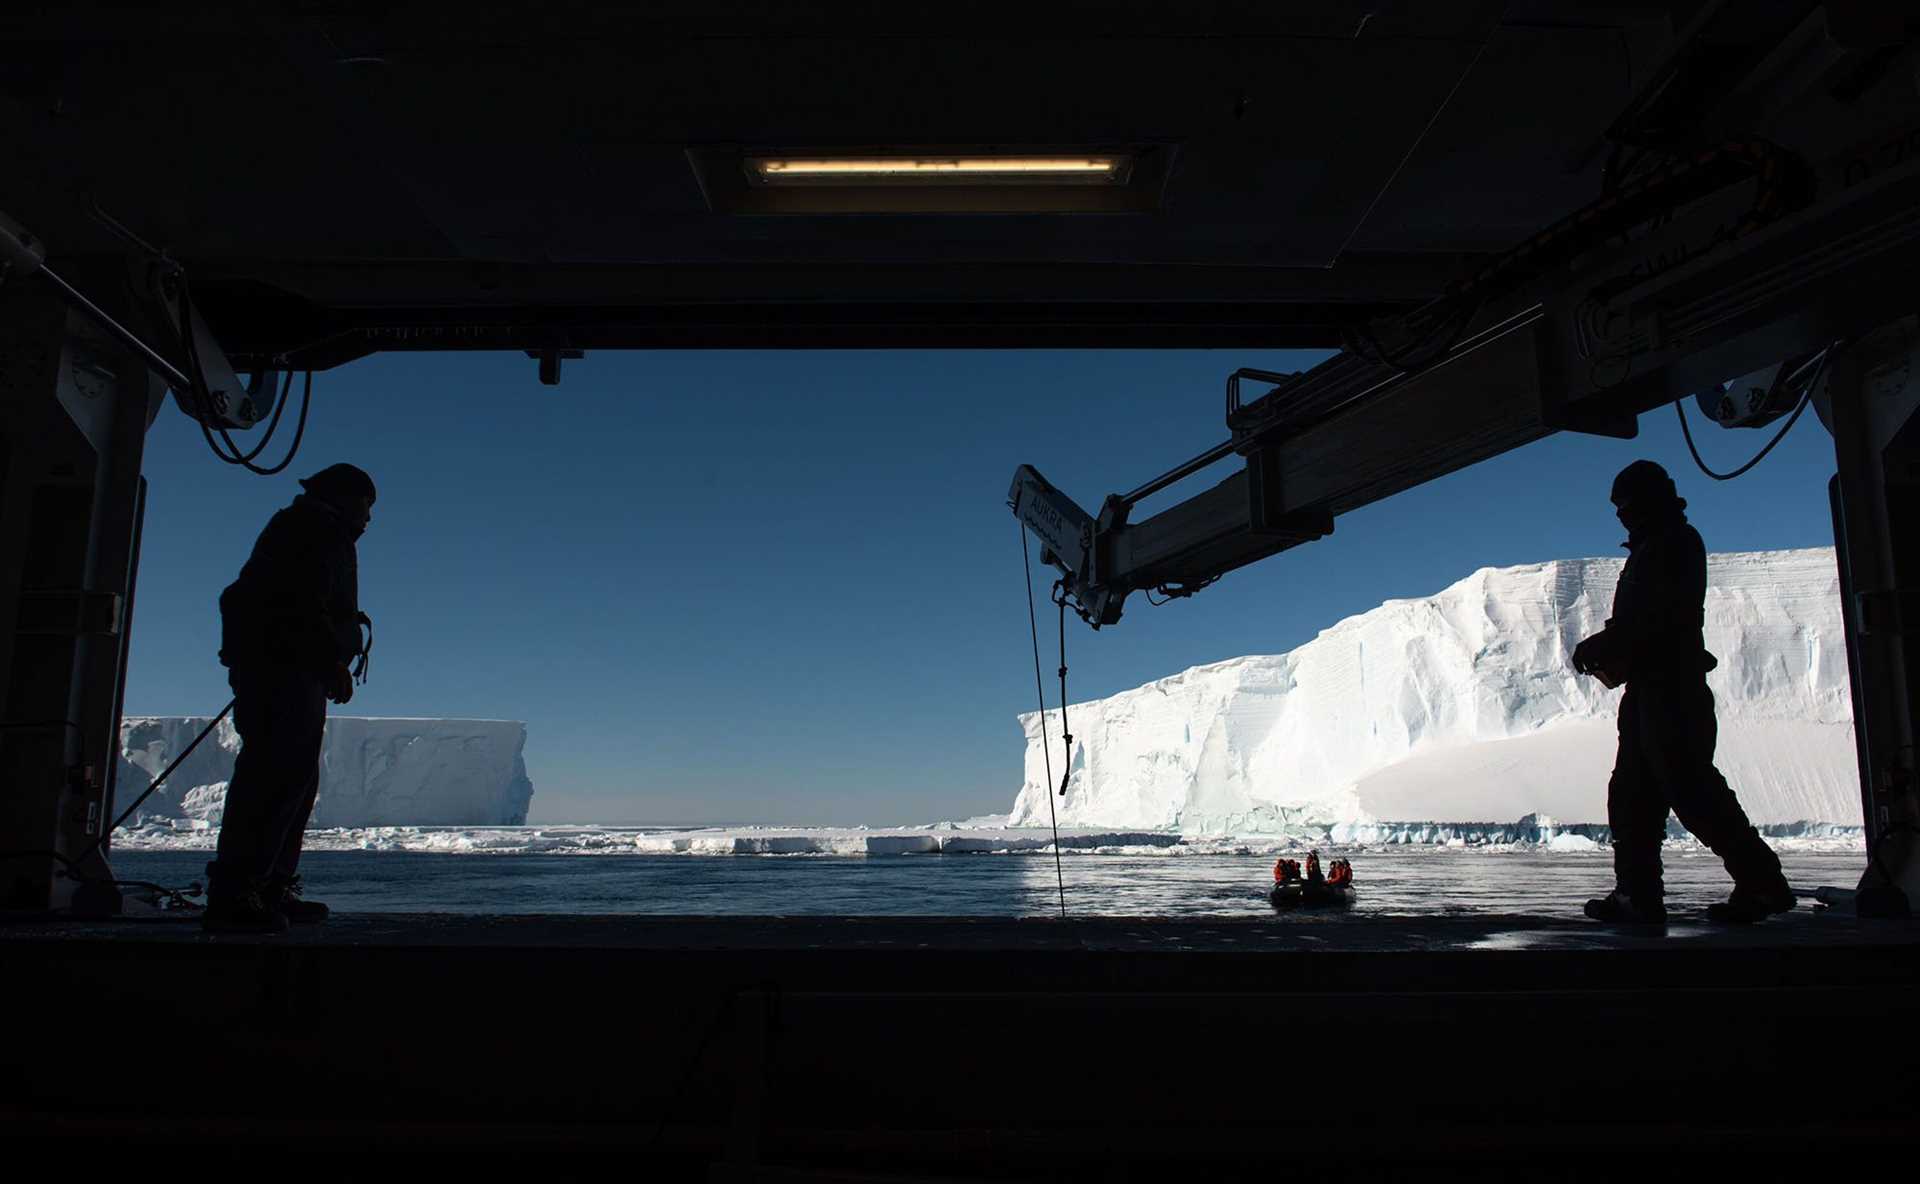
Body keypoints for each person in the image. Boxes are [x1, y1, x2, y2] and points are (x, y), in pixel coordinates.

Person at [1571, 460, 1795, 925]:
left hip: (1671, 689)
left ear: (1648, 500)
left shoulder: (1671, 545)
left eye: (1626, 505)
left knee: (1690, 788)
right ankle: (1637, 895)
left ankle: (1763, 883)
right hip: (1650, 688)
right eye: (1618, 508)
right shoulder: (1657, 546)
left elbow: (1657, 619)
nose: (1621, 515)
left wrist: (1605, 644)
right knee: (1635, 794)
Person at [202, 464, 375, 933]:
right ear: (344, 499)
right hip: (285, 670)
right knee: (275, 779)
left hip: (288, 669)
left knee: (291, 782)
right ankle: (239, 895)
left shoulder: (307, 529)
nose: (367, 520)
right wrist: (330, 661)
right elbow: (299, 603)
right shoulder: (311, 532)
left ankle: (268, 888)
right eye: (365, 507)